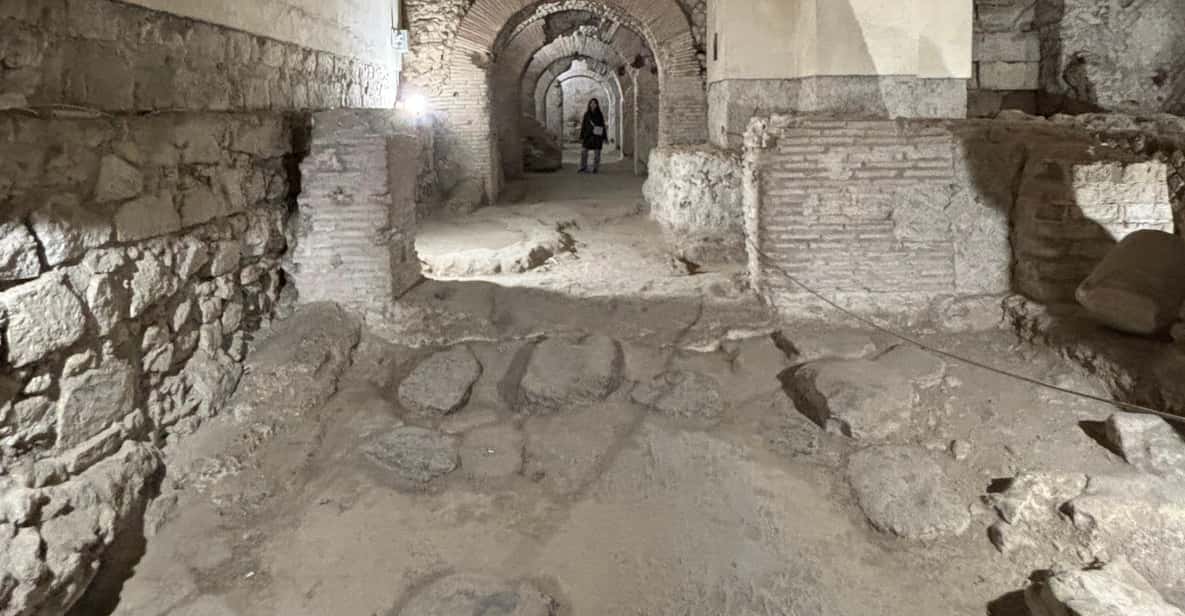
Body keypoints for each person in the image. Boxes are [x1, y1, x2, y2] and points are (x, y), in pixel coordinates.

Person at [578, 98, 607, 174]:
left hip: (597, 136)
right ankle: (583, 167)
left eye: (594, 103)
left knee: (597, 153)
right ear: (589, 104)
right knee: (584, 151)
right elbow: (583, 126)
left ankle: (595, 168)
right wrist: (581, 136)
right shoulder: (586, 114)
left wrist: (604, 137)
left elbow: (602, 126)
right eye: (592, 103)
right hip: (588, 136)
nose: (593, 104)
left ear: (597, 105)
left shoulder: (599, 114)